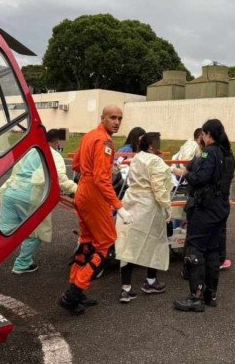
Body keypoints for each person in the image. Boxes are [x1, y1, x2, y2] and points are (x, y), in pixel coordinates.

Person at [58, 105, 133, 314]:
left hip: (83, 190)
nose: (117, 122)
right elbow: (102, 179)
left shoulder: (90, 136)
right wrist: (119, 206)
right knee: (106, 244)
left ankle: (76, 290)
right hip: (94, 194)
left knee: (88, 242)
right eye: (113, 118)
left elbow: (75, 165)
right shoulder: (105, 141)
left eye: (119, 118)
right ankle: (74, 291)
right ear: (103, 118)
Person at [172, 119, 235, 312]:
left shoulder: (210, 152)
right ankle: (210, 294)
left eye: (204, 135)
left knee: (195, 249)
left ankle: (195, 296)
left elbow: (200, 178)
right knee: (213, 251)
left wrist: (184, 172)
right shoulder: (229, 154)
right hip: (221, 207)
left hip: (205, 207)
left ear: (208, 134)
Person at [9, 129, 78, 275]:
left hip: (13, 191)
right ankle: (22, 263)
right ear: (56, 141)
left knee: (9, 229)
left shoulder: (32, 151)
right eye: (62, 141)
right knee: (38, 232)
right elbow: (59, 176)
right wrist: (77, 189)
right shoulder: (54, 154)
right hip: (33, 195)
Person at [115, 132, 173, 303]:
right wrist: (167, 206)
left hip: (131, 201)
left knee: (130, 244)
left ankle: (126, 288)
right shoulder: (155, 161)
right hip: (149, 206)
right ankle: (150, 281)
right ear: (150, 146)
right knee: (153, 243)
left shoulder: (137, 157)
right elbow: (159, 188)